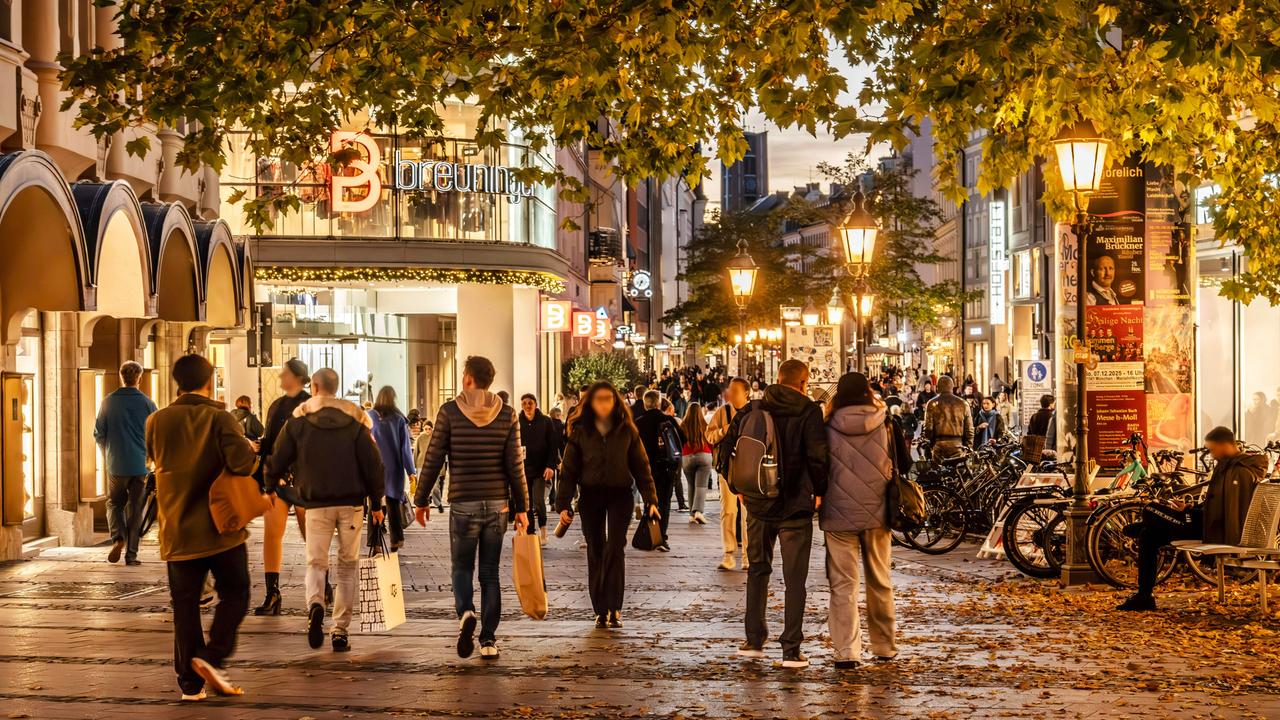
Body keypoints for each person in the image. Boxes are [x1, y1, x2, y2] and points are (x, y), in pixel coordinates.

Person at [146, 354, 258, 701]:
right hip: (221, 528)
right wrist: (249, 449)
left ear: (177, 382)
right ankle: (211, 656)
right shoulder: (220, 418)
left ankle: (189, 684)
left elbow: (154, 458)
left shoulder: (156, 420)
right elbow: (243, 464)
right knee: (236, 592)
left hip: (177, 527)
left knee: (185, 606)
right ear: (210, 381)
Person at [414, 356, 529, 660]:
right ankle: (488, 639)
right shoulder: (507, 414)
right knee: (490, 573)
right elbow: (515, 465)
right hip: (497, 505)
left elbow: (433, 459)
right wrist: (522, 508)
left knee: (462, 567)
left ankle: (466, 612)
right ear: (489, 381)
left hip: (463, 503)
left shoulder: (449, 412)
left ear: (467, 379)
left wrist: (421, 499)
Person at [266, 368, 385, 653]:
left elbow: (278, 457)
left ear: (315, 387)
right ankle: (340, 630)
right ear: (336, 387)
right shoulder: (356, 421)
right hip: (351, 504)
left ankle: (316, 605)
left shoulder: (299, 421)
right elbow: (373, 465)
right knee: (347, 566)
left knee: (316, 562)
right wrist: (377, 503)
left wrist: (269, 485)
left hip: (316, 503)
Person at [732, 359, 828, 668]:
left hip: (758, 504)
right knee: (795, 579)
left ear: (777, 378)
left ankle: (754, 639)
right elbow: (818, 456)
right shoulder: (809, 411)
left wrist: (739, 487)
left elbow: (730, 450)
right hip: (796, 505)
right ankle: (791, 649)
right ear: (803, 382)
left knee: (758, 569)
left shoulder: (754, 408)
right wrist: (820, 491)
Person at [1118, 426, 1266, 611]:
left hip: (1211, 530)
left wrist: (1192, 515)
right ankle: (1144, 596)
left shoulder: (1239, 472)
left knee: (1150, 510)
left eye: (1212, 450)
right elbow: (1216, 506)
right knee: (1148, 535)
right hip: (1203, 523)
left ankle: (1145, 526)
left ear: (1224, 445)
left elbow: (1229, 513)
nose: (1211, 455)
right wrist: (1189, 509)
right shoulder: (1228, 467)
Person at [822, 372, 910, 668]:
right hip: (878, 512)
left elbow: (819, 467)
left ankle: (847, 652)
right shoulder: (885, 421)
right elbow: (905, 463)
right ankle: (884, 646)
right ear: (867, 392)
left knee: (843, 585)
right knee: (879, 580)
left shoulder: (827, 424)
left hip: (837, 513)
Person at [556, 381, 660, 629]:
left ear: (615, 402)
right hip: (590, 495)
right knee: (595, 549)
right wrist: (563, 503)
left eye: (608, 399)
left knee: (615, 547)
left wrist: (651, 499)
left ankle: (615, 607)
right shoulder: (580, 430)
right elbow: (569, 470)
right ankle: (600, 609)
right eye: (598, 399)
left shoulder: (626, 429)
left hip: (619, 494)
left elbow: (641, 466)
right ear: (591, 402)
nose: (603, 404)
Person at [253, 358, 311, 616]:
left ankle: (322, 583)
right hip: (276, 480)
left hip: (303, 480)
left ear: (297, 377)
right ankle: (272, 593)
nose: (280, 377)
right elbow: (271, 442)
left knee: (311, 537)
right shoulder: (276, 405)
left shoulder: (310, 404)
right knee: (271, 534)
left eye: (284, 373)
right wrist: (260, 450)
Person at [94, 361, 158, 567]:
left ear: (121, 377)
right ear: (139, 378)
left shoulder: (108, 402)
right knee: (136, 509)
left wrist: (108, 453)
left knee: (114, 504)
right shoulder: (148, 403)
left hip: (116, 464)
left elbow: (99, 433)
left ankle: (118, 538)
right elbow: (155, 435)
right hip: (141, 466)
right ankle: (131, 554)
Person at [708, 379, 751, 570]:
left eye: (735, 391)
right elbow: (709, 436)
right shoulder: (723, 412)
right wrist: (725, 430)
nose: (731, 394)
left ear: (747, 393)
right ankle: (729, 553)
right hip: (727, 469)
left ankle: (748, 556)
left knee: (748, 513)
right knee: (728, 510)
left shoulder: (754, 413)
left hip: (749, 470)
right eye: (730, 390)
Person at [634, 390, 685, 551]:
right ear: (658, 403)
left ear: (645, 404)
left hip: (645, 468)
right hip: (666, 467)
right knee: (664, 502)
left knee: (649, 500)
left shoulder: (638, 423)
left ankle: (650, 534)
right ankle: (661, 536)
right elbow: (682, 439)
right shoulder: (668, 420)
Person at [368, 386, 416, 550]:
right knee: (393, 502)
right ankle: (396, 539)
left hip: (374, 467)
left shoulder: (369, 416)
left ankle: (375, 542)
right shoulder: (399, 419)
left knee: (374, 503)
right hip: (394, 467)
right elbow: (405, 448)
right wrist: (411, 471)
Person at [519, 393, 562, 544]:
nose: (527, 406)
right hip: (523, 468)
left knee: (538, 500)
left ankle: (543, 528)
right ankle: (530, 532)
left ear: (535, 404)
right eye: (524, 403)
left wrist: (550, 466)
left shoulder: (545, 421)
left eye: (530, 403)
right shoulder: (517, 422)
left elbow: (553, 445)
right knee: (526, 502)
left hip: (541, 468)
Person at [922, 375, 973, 461]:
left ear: (938, 388)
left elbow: (928, 429)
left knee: (939, 468)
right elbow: (969, 429)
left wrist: (930, 445)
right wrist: (968, 447)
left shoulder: (931, 404)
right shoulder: (963, 404)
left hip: (939, 446)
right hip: (958, 446)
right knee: (958, 469)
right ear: (952, 387)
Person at [679, 402, 713, 525]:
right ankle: (698, 511)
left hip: (687, 457)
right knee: (701, 486)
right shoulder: (705, 425)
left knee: (691, 485)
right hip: (704, 455)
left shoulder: (682, 426)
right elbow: (711, 441)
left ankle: (692, 515)